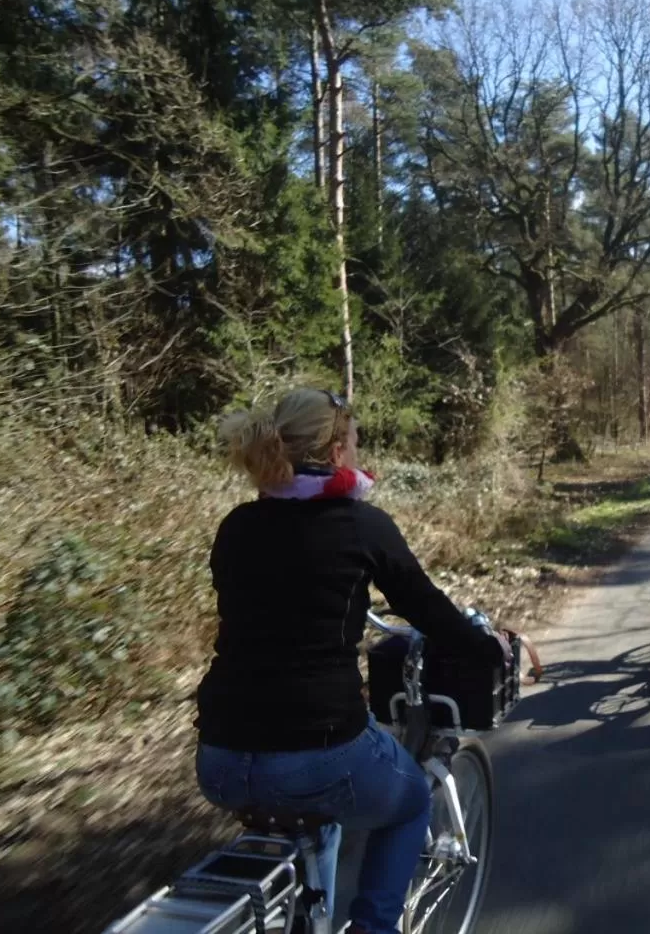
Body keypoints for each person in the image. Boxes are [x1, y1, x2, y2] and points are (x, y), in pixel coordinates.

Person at [193, 387, 509, 934]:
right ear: (337, 450)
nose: (359, 452)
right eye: (356, 442)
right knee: (408, 803)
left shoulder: (236, 526)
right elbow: (428, 611)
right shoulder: (361, 525)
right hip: (318, 750)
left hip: (219, 757)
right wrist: (490, 645)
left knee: (318, 815)